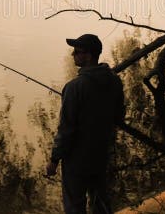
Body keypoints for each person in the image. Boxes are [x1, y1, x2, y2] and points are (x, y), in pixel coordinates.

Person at [46, 33, 125, 214]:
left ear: (88, 55)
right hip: (101, 153)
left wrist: (54, 160)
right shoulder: (114, 80)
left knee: (75, 204)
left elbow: (66, 129)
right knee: (101, 200)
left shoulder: (74, 87)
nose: (73, 55)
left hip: (77, 159)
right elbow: (119, 116)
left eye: (77, 52)